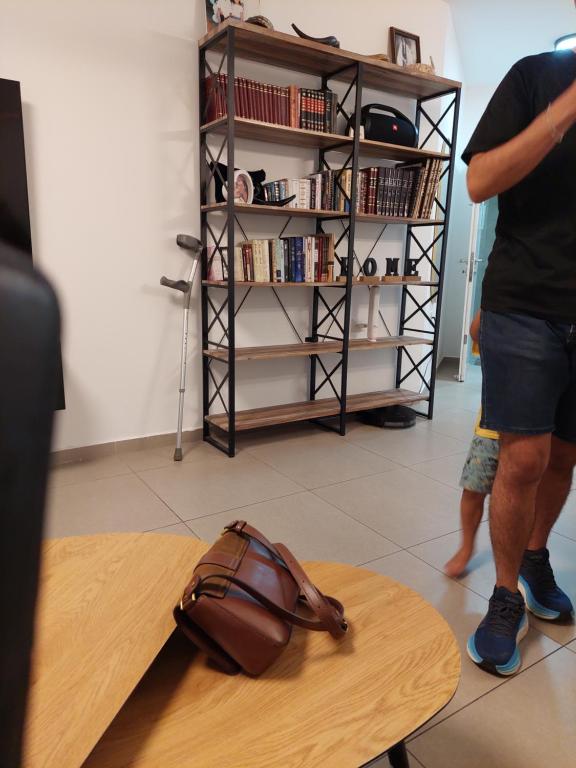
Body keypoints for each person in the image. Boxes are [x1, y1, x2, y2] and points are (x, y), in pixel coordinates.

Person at [462, 41, 576, 676]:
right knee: (524, 457)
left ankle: (535, 558)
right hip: (524, 303)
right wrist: (565, 112)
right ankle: (505, 595)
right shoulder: (537, 76)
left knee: (564, 454)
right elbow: (479, 181)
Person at [444, 312, 499, 578]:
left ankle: (528, 551)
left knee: (524, 496)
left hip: (537, 429)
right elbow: (475, 330)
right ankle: (467, 546)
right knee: (473, 488)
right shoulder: (499, 323)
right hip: (491, 427)